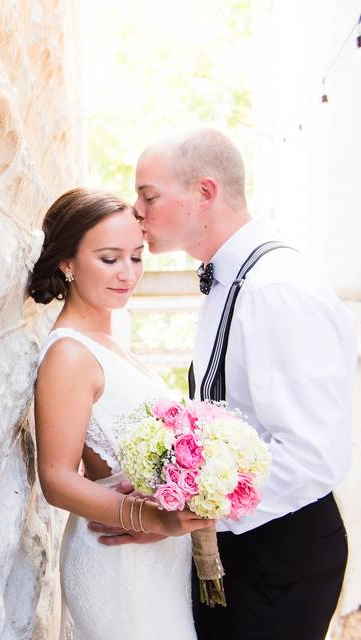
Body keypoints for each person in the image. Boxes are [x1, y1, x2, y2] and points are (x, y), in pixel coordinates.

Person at [91, 128, 355, 640]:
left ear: (205, 193)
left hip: (279, 559)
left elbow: (312, 453)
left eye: (149, 196)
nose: (138, 212)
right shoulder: (231, 278)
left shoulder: (276, 289)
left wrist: (185, 515)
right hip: (242, 550)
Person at [29, 187, 212, 640]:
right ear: (67, 263)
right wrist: (153, 519)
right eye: (109, 259)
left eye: (135, 256)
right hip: (117, 556)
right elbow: (56, 477)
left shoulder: (110, 344)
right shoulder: (68, 354)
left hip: (155, 557)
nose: (128, 274)